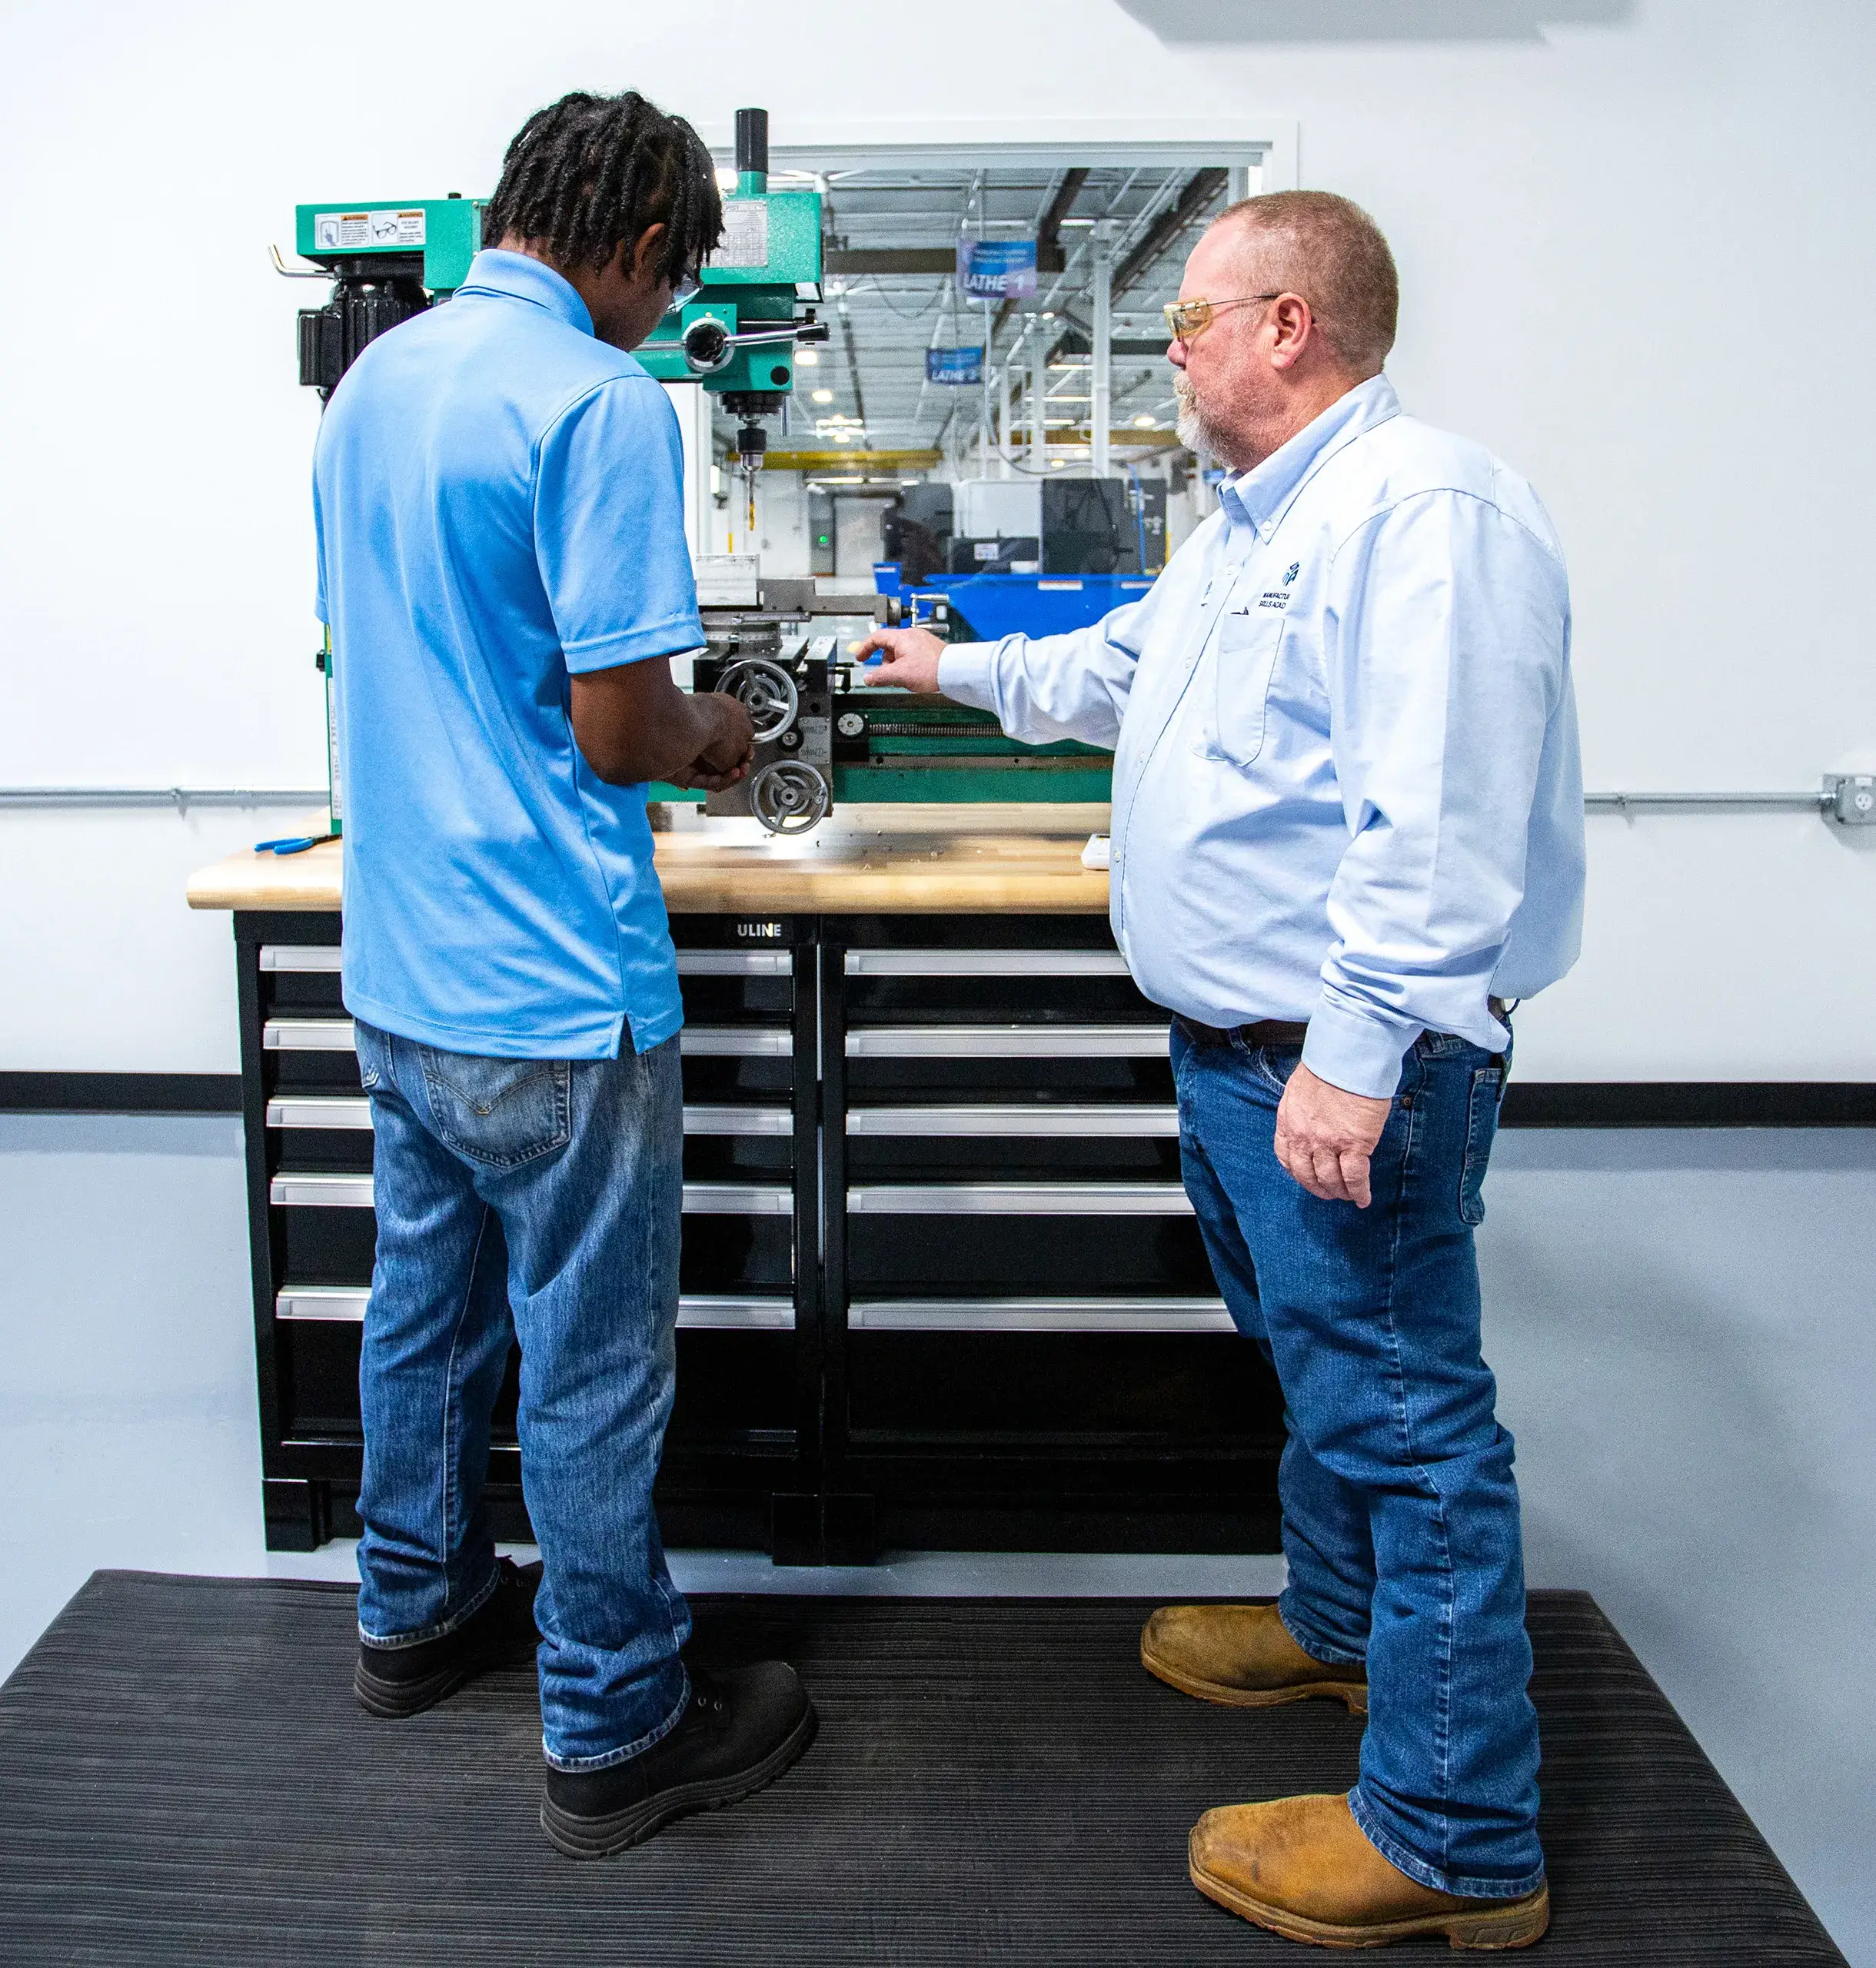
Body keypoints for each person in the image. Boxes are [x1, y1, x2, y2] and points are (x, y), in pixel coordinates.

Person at [861, 190, 1582, 1950]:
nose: (1166, 349)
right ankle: (1340, 1635)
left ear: (1288, 324)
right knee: (1328, 1376)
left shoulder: (1423, 512)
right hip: (1236, 1057)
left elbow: (1439, 826)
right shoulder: (1246, 527)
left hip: (1338, 1074)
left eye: (1188, 319)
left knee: (1408, 1426)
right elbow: (1113, 676)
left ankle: (1451, 1831)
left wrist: (1351, 1063)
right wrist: (942, 666)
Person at [311, 89, 816, 1859]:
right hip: (550, 983)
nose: (667, 314)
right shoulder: (599, 403)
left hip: (400, 962)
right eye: (672, 277)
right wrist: (726, 735)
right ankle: (616, 1715)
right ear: (628, 240)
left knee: (423, 1318)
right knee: (591, 1362)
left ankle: (413, 1609)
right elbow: (619, 730)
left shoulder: (378, 382)